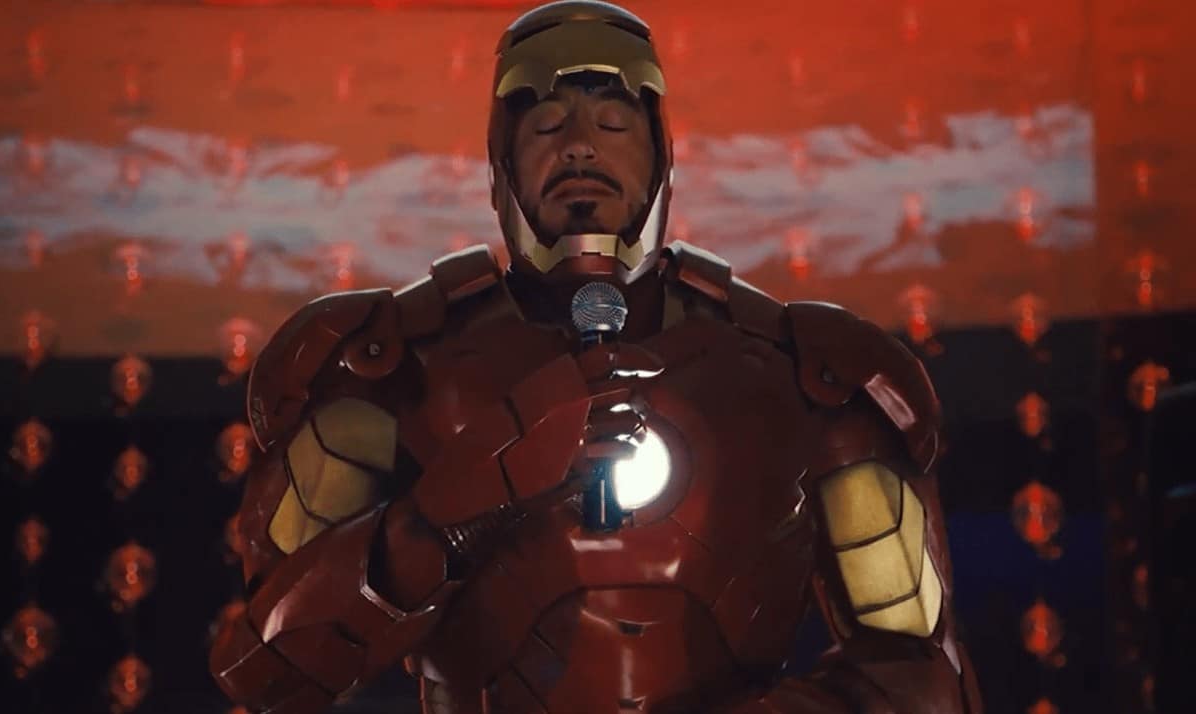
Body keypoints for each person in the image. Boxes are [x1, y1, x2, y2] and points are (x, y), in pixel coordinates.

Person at [209, 2, 983, 712]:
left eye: (613, 122)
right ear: (500, 163)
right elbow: (262, 674)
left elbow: (926, 682)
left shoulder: (808, 371)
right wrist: (445, 519)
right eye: (546, 125)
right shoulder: (387, 362)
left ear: (662, 156)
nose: (579, 145)